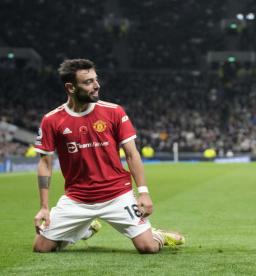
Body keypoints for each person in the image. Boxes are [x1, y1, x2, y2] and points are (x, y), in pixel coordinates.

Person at [33, 59, 184, 253]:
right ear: (70, 87)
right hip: (77, 199)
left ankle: (158, 235)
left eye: (96, 79)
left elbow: (131, 154)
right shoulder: (52, 120)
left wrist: (144, 192)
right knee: (41, 247)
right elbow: (45, 164)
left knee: (148, 247)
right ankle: (83, 229)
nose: (97, 86)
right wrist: (44, 207)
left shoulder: (113, 112)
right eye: (88, 82)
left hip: (117, 195)